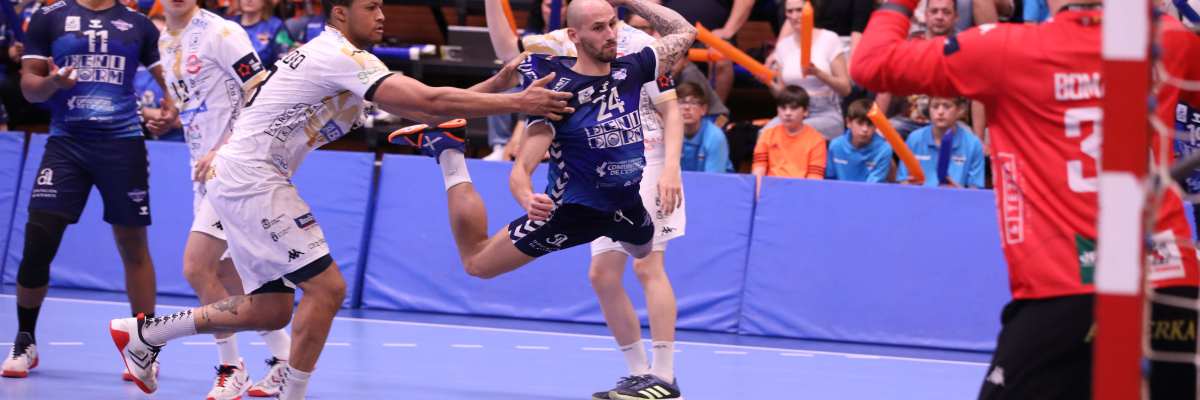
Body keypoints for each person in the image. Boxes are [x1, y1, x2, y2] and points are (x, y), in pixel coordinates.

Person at [106, 0, 573, 397]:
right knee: (327, 289)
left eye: (382, 6)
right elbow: (429, 102)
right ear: (340, 14)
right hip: (253, 178)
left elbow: (425, 106)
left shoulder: (350, 62)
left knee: (272, 309)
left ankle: (146, 334)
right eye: (370, 7)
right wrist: (519, 103)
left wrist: (502, 83)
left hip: (242, 176)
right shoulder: (337, 55)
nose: (382, 15)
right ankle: (291, 391)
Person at [852, 0, 1200, 398]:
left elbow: (872, 62)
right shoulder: (1166, 39)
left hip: (1069, 292)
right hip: (1170, 286)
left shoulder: (1004, 49)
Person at [405, 1, 693, 398]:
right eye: (598, 28)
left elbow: (684, 31)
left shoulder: (634, 65)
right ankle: (450, 152)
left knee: (644, 254)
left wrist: (631, 2)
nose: (610, 34)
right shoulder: (555, 88)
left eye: (612, 24)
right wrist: (526, 195)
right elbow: (521, 167)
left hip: (627, 207)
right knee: (477, 263)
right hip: (572, 213)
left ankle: (654, 374)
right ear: (574, 35)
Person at [3, 0, 175, 380]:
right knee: (37, 242)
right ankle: (25, 339)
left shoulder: (139, 25)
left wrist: (172, 107)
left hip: (123, 144)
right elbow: (30, 90)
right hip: (66, 143)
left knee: (133, 245)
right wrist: (53, 83)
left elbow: (171, 83)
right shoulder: (49, 17)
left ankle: (143, 348)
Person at [157, 0, 296, 397]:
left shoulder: (222, 33)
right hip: (203, 169)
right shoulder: (166, 39)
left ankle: (231, 367)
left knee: (197, 267)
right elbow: (197, 102)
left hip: (236, 168)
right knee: (229, 275)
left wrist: (224, 149)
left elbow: (263, 91)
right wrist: (170, 119)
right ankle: (285, 358)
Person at [767, 0, 853, 140]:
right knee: (765, 134)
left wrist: (818, 73)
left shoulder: (829, 39)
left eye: (799, 10)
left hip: (824, 111)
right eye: (790, 11)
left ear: (810, 11)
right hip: (792, 109)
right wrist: (768, 82)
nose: (794, 16)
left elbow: (845, 89)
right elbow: (783, 94)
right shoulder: (783, 46)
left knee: (793, 133)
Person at [896, 96, 985, 188]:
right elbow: (903, 181)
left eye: (947, 106)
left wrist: (958, 191)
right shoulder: (914, 138)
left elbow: (975, 189)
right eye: (935, 106)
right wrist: (910, 185)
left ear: (960, 110)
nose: (940, 112)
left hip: (954, 197)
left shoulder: (973, 144)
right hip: (919, 196)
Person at [753, 85, 827, 181]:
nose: (787, 113)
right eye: (783, 108)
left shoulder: (817, 141)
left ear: (805, 111)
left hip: (801, 189)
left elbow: (815, 179)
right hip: (770, 188)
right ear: (777, 110)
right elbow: (758, 171)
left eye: (793, 108)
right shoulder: (767, 135)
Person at [826, 98, 891, 182]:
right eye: (860, 123)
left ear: (876, 126)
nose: (865, 129)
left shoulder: (884, 149)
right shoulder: (836, 145)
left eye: (870, 124)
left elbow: (873, 186)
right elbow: (830, 180)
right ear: (848, 122)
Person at [678, 81, 731, 173]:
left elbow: (714, 179)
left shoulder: (715, 136)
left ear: (703, 109)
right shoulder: (666, 134)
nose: (687, 107)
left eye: (693, 102)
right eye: (681, 102)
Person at [231, 0, 294, 66]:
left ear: (265, 2)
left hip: (267, 71)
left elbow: (284, 60)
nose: (249, 0)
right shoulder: (229, 25)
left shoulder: (276, 25)